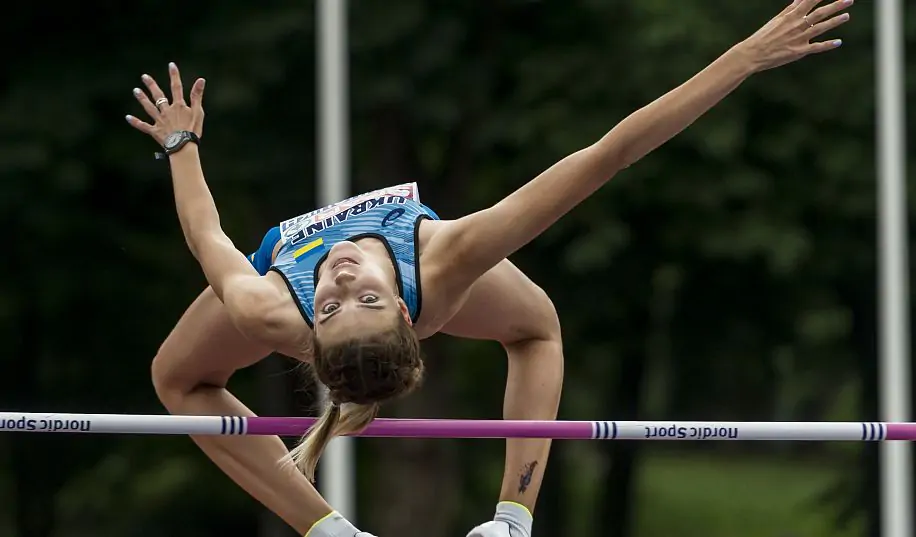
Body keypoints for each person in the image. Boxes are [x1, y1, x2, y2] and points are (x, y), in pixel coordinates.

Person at [126, 1, 851, 535]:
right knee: (537, 327)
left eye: (331, 308)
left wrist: (182, 145)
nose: (341, 283)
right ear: (403, 308)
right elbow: (608, 155)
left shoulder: (269, 306)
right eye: (365, 300)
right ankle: (490, 521)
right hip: (429, 266)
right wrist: (742, 59)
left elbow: (206, 232)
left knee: (175, 377)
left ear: (308, 330)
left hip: (281, 281)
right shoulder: (446, 261)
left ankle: (381, 527)